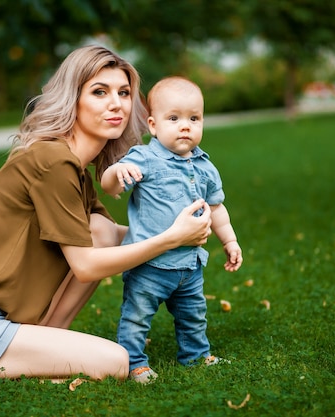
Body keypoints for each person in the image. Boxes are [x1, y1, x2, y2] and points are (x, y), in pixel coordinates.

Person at [0, 46, 213, 388]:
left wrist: (184, 233)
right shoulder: (53, 162)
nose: (117, 104)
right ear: (73, 99)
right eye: (99, 92)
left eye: (124, 93)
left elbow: (113, 235)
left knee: (103, 230)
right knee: (116, 361)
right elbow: (86, 266)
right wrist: (171, 238)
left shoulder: (75, 166)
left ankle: (43, 341)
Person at [100, 76, 243, 384]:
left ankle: (195, 356)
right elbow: (109, 185)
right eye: (174, 118)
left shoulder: (206, 166)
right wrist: (116, 172)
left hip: (189, 266)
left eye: (194, 118)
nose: (185, 126)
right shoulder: (144, 158)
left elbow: (216, 208)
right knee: (136, 318)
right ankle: (134, 363)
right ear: (153, 125)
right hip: (149, 266)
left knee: (193, 316)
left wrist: (229, 240)